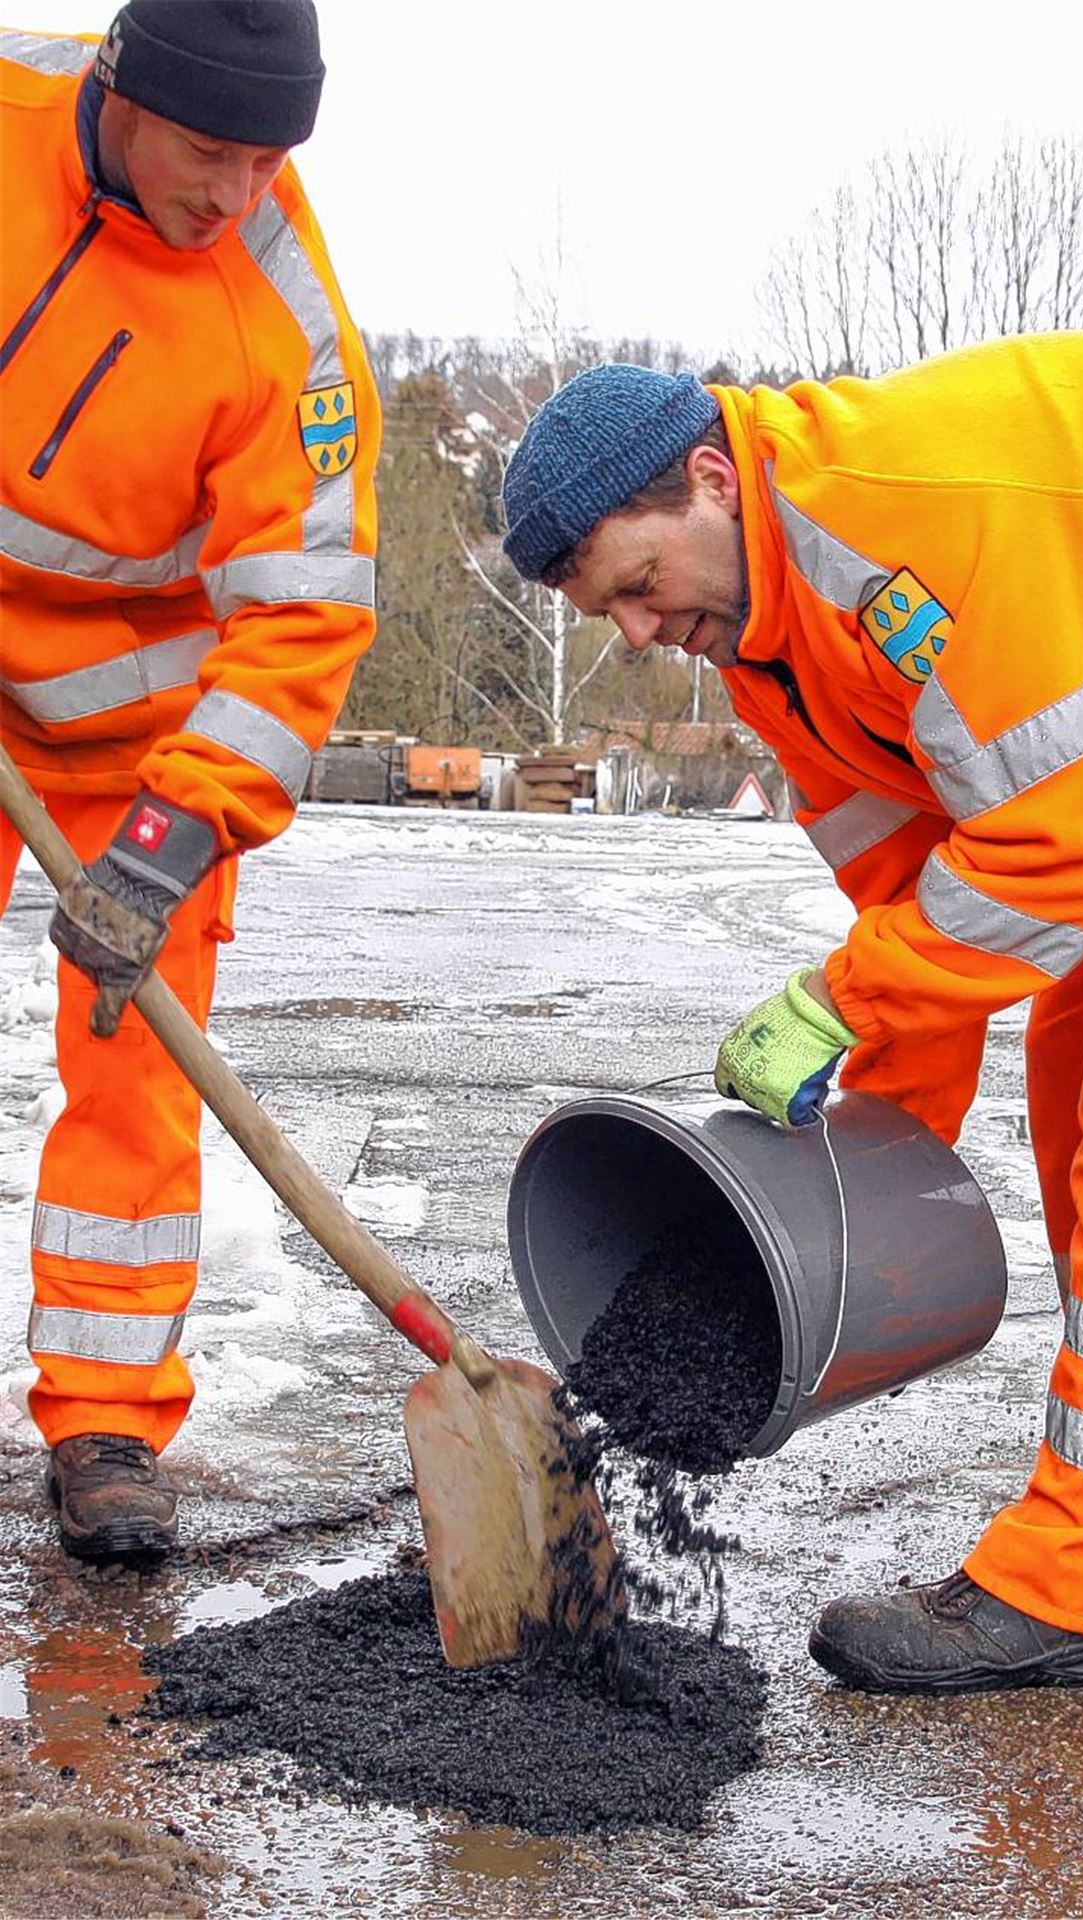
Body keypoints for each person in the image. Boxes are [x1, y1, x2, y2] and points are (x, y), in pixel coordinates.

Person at [499, 338, 1083, 1693]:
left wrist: (832, 1004)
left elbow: (1067, 856)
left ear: (714, 482)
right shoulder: (768, 651)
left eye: (639, 585)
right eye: (603, 613)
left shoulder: (906, 523)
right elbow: (923, 892)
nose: (636, 635)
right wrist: (860, 1172)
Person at [0, 1, 380, 1563]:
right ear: (117, 93)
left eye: (268, 158)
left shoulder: (279, 317)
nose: (236, 193)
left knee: (136, 1061)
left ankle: (103, 1418)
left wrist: (166, 843)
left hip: (135, 734)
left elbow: (306, 615)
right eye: (210, 151)